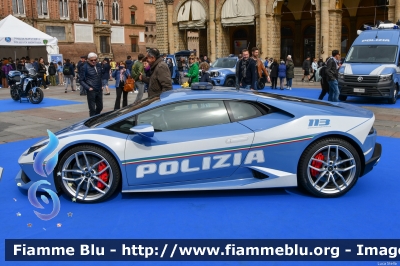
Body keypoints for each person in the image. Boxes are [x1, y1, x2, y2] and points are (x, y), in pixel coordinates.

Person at [80, 52, 103, 117]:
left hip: (99, 89)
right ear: (88, 60)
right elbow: (81, 80)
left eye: (95, 60)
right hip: (91, 90)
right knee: (92, 109)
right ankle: (92, 121)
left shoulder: (98, 65)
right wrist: (88, 88)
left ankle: (96, 118)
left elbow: (100, 76)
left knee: (100, 107)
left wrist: (101, 85)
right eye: (91, 60)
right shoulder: (84, 67)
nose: (93, 61)